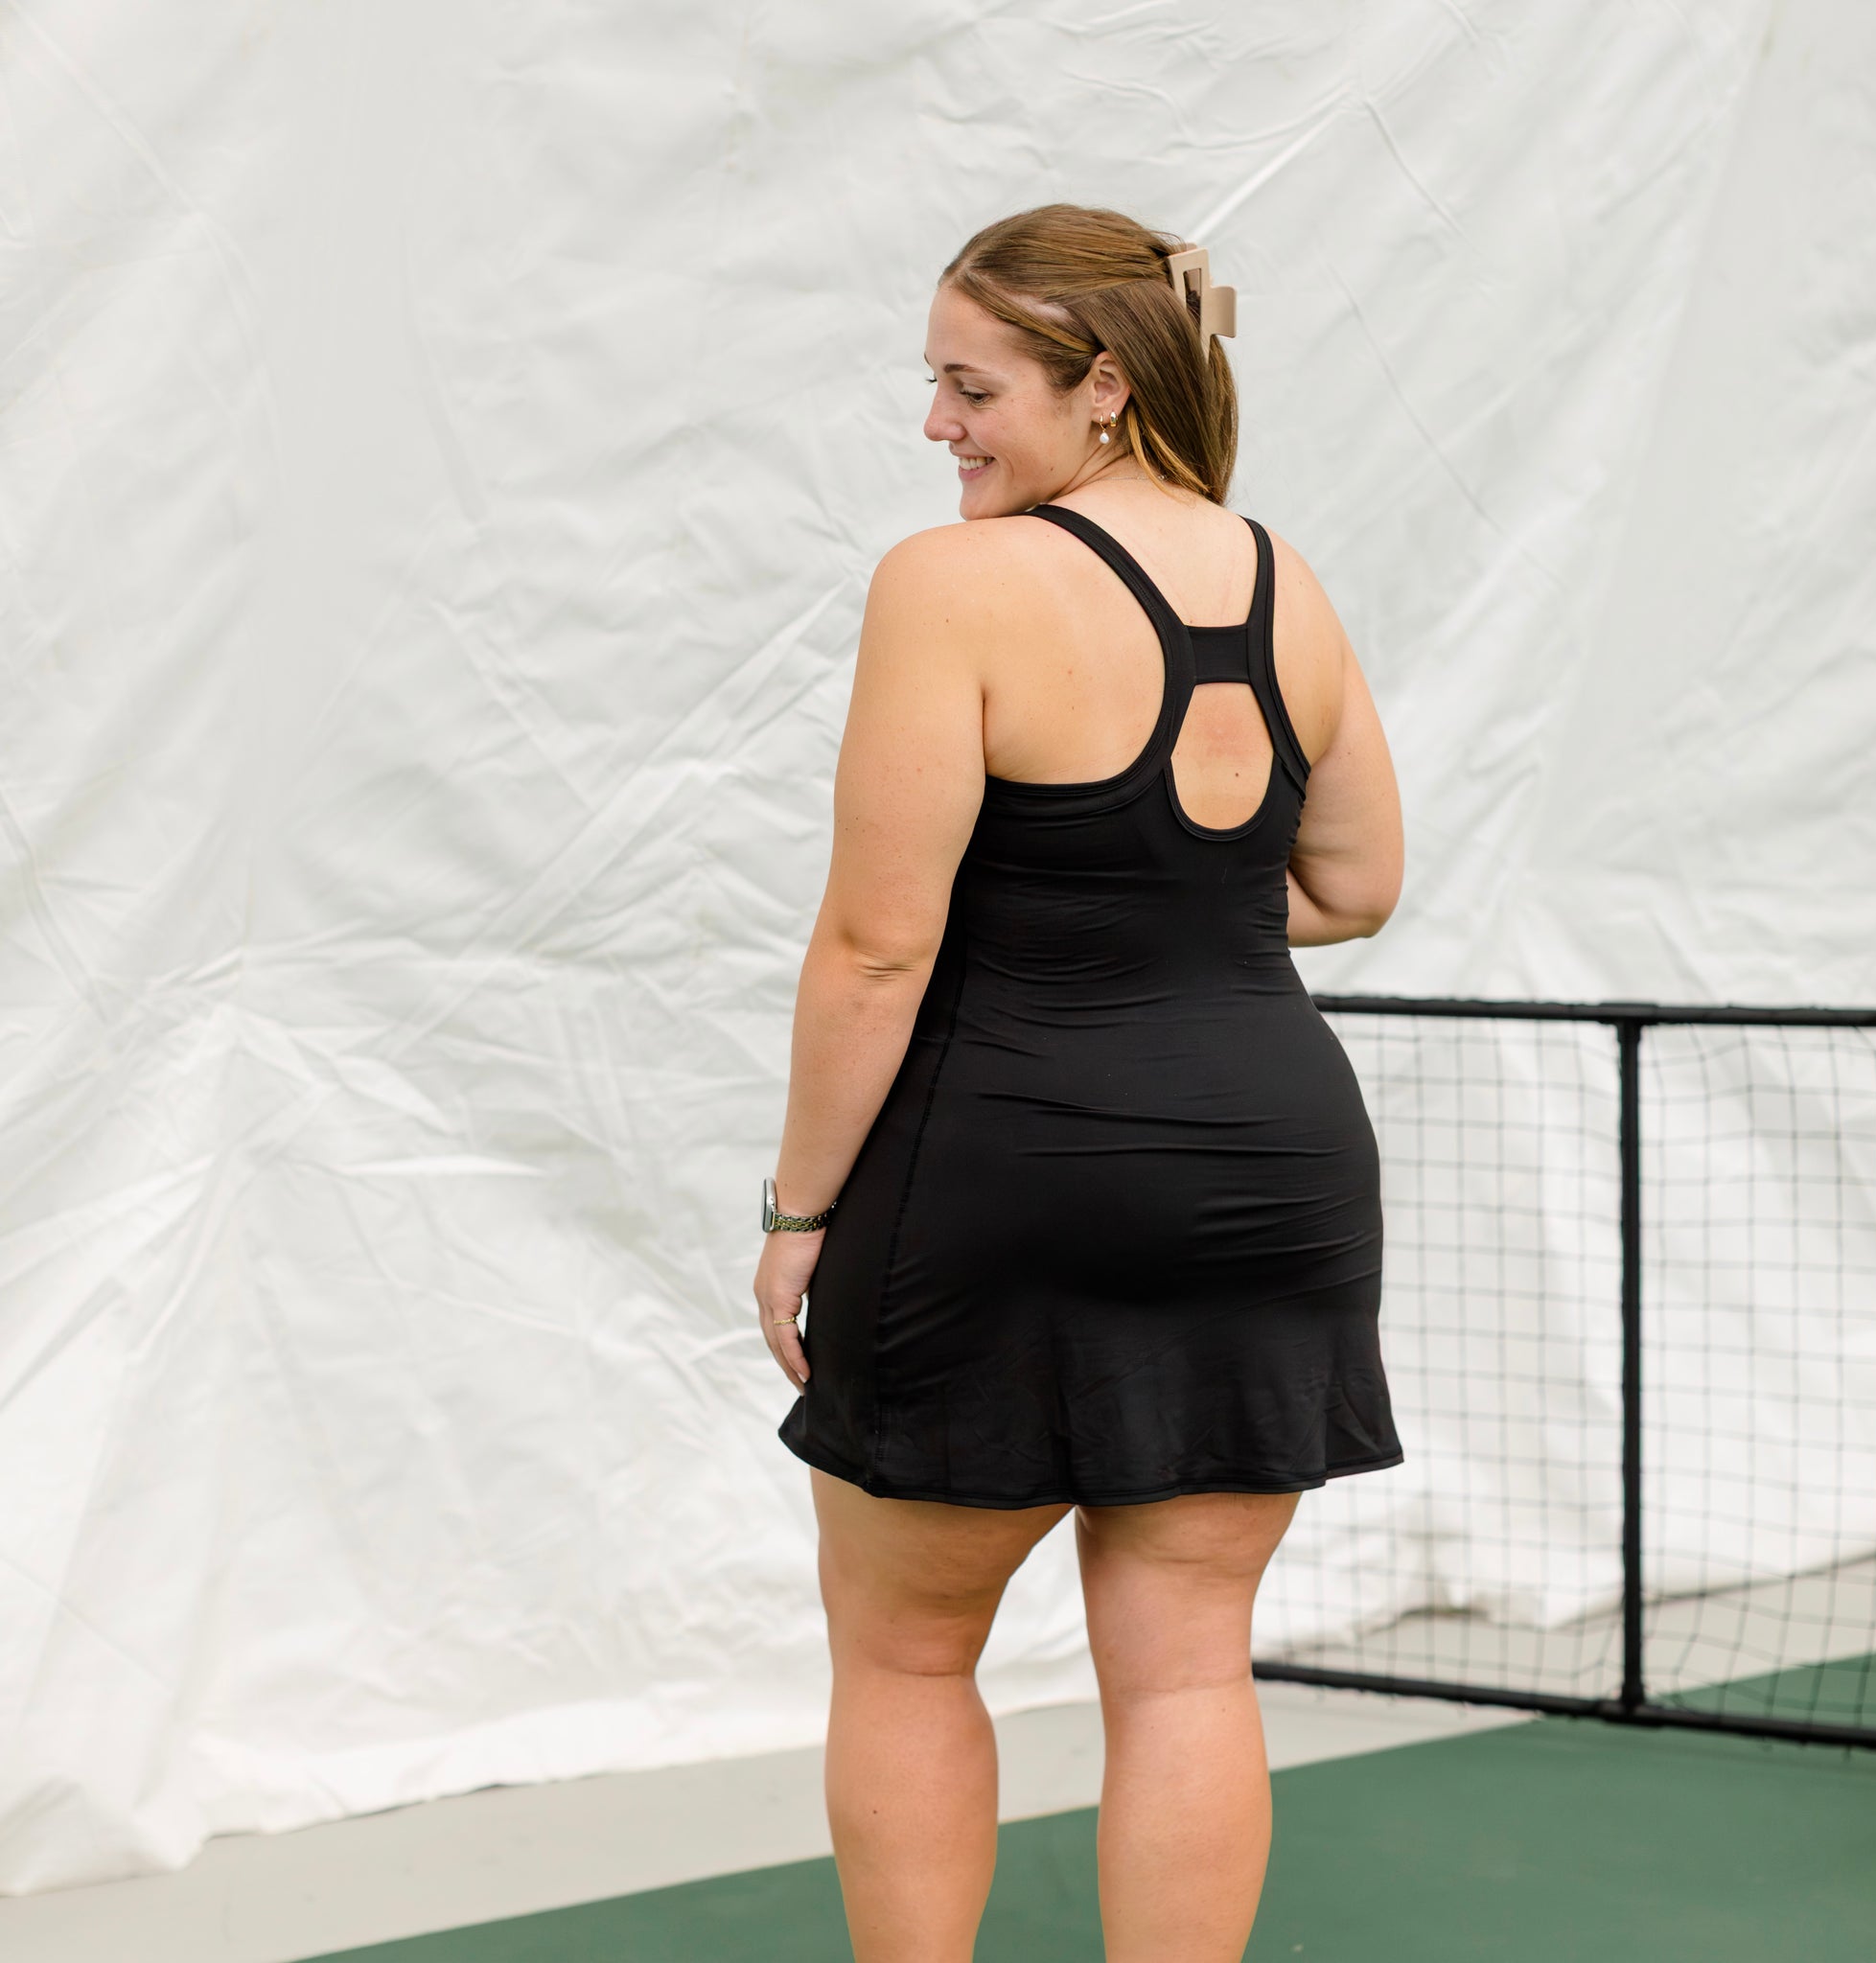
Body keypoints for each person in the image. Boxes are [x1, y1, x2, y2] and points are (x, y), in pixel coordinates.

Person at [752, 202, 1405, 1963]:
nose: (939, 426)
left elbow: (876, 951)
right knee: (1190, 1664)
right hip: (1273, 1167)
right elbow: (1355, 885)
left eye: (971, 387)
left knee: (902, 1653)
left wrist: (798, 1210)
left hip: (1001, 1171)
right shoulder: (1282, 576)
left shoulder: (950, 584)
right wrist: (1156, 901)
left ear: (1103, 385)